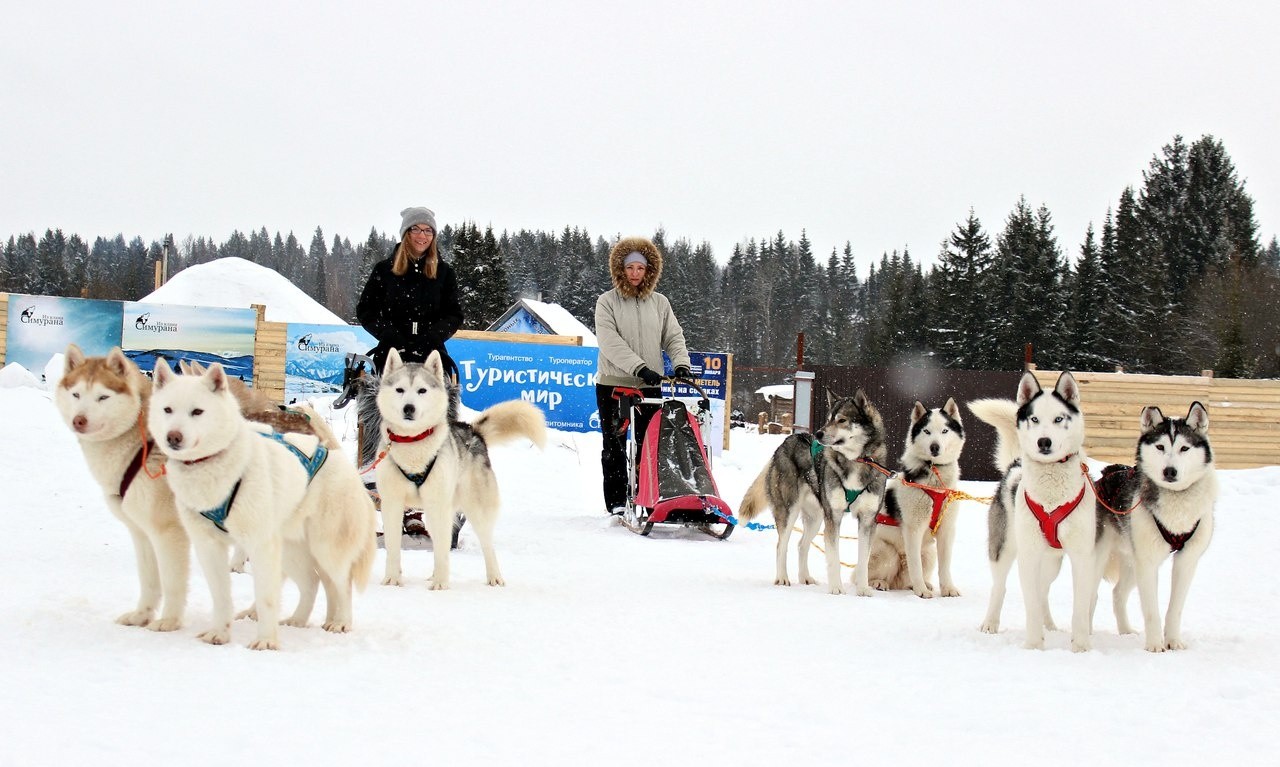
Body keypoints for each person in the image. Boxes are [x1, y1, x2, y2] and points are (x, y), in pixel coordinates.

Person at [594, 235, 692, 515]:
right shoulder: (607, 302)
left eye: (641, 268)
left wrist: (681, 364)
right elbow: (609, 342)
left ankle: (647, 497)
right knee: (614, 445)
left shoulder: (660, 303)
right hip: (614, 384)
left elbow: (673, 336)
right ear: (620, 270)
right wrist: (639, 368)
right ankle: (616, 503)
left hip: (651, 387)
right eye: (629, 268)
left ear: (650, 270)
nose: (635, 274)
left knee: (649, 446)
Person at [356, 206, 464, 377]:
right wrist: (388, 333)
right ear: (406, 232)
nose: (422, 236)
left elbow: (454, 314)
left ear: (434, 236)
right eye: (416, 229)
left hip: (432, 356)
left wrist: (434, 335)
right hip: (390, 355)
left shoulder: (445, 272)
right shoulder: (384, 270)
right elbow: (366, 310)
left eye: (428, 230)